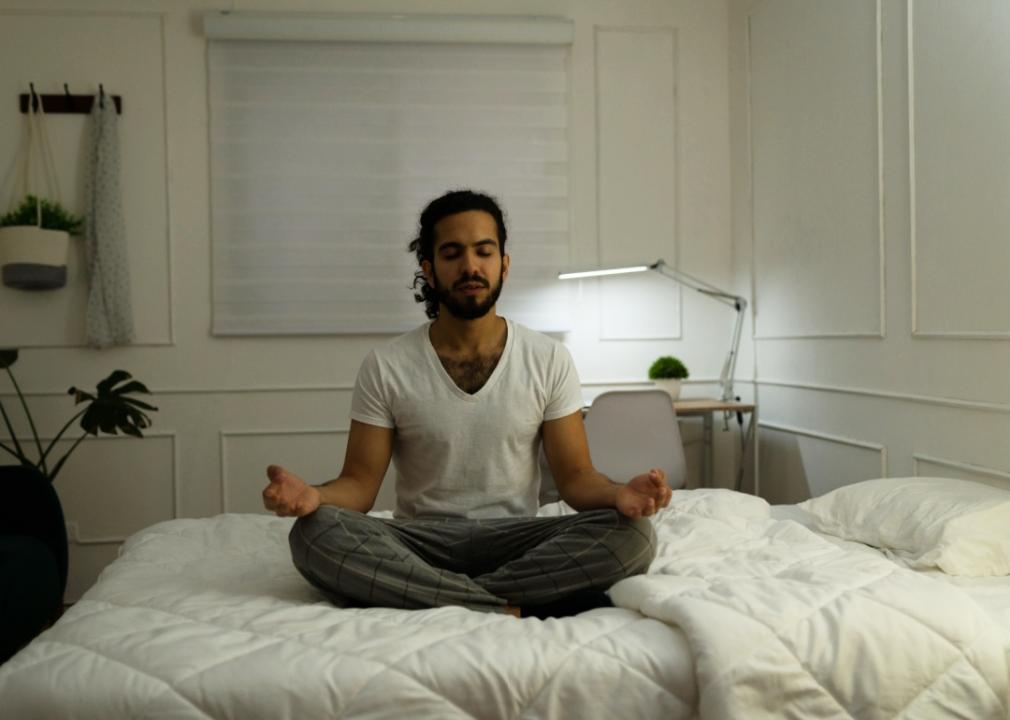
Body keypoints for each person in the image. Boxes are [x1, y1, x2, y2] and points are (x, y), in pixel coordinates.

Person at [262, 189, 671, 617]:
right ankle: (504, 603)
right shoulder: (386, 365)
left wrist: (619, 493)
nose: (470, 266)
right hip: (420, 542)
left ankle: (435, 596)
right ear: (430, 271)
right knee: (315, 533)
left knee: (634, 536)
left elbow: (576, 477)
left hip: (517, 540)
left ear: (504, 265)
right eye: (452, 253)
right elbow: (360, 486)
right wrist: (314, 495)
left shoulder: (548, 358)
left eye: (484, 252)